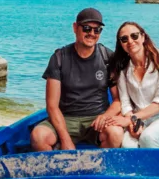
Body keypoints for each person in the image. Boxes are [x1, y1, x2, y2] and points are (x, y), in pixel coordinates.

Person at [30, 8, 124, 151]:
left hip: (96, 119)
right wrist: (66, 140)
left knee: (115, 134)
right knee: (39, 136)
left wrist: (105, 116)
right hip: (66, 118)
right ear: (75, 28)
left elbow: (118, 100)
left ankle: (98, 168)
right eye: (87, 28)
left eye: (97, 30)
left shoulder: (107, 57)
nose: (91, 34)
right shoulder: (59, 58)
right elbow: (52, 106)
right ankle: (58, 169)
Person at [104, 21, 159, 149]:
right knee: (127, 145)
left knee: (148, 138)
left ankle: (157, 169)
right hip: (139, 120)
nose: (130, 41)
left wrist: (130, 119)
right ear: (121, 44)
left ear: (143, 37)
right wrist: (132, 123)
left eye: (134, 36)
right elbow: (125, 103)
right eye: (124, 39)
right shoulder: (123, 69)